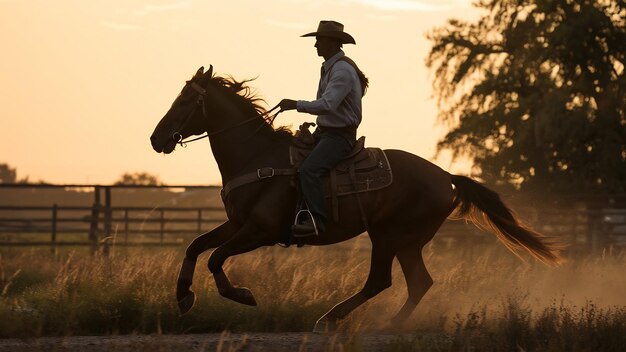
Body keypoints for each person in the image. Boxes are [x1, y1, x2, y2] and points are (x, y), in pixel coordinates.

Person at [279, 20, 368, 236]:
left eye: (319, 40)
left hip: (339, 137)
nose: (315, 45)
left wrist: (295, 105)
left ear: (332, 42)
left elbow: (328, 104)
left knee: (309, 169)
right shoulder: (332, 68)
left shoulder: (342, 71)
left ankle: (317, 221)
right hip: (327, 133)